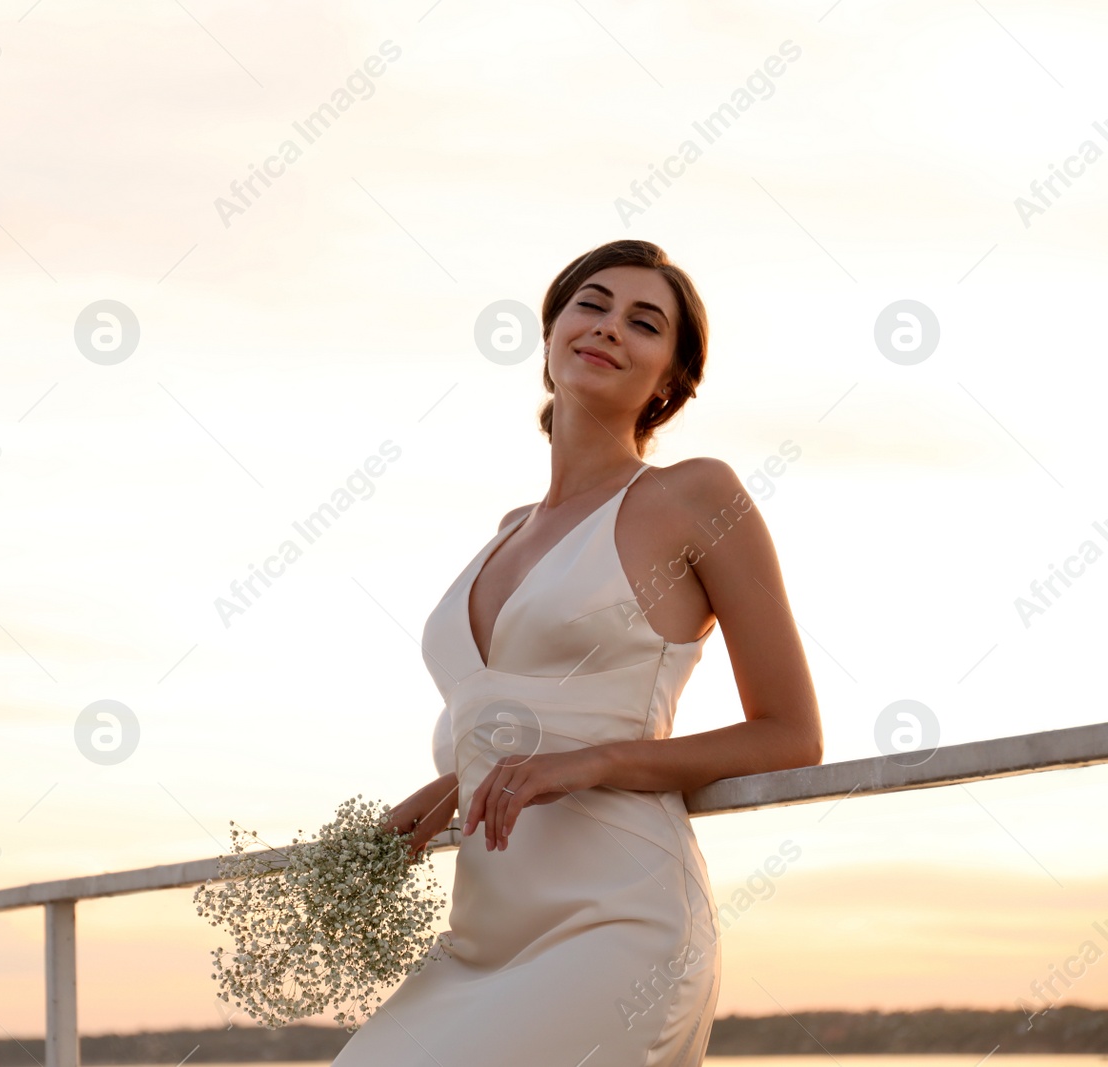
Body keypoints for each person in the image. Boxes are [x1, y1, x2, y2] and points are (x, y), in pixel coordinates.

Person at [332, 239, 823, 1067]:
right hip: (483, 936)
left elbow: (790, 734)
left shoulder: (695, 495)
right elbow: (533, 703)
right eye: (590, 304)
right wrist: (462, 776)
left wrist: (593, 760)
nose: (609, 328)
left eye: (645, 321)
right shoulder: (505, 532)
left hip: (618, 923)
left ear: (671, 378)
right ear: (553, 331)